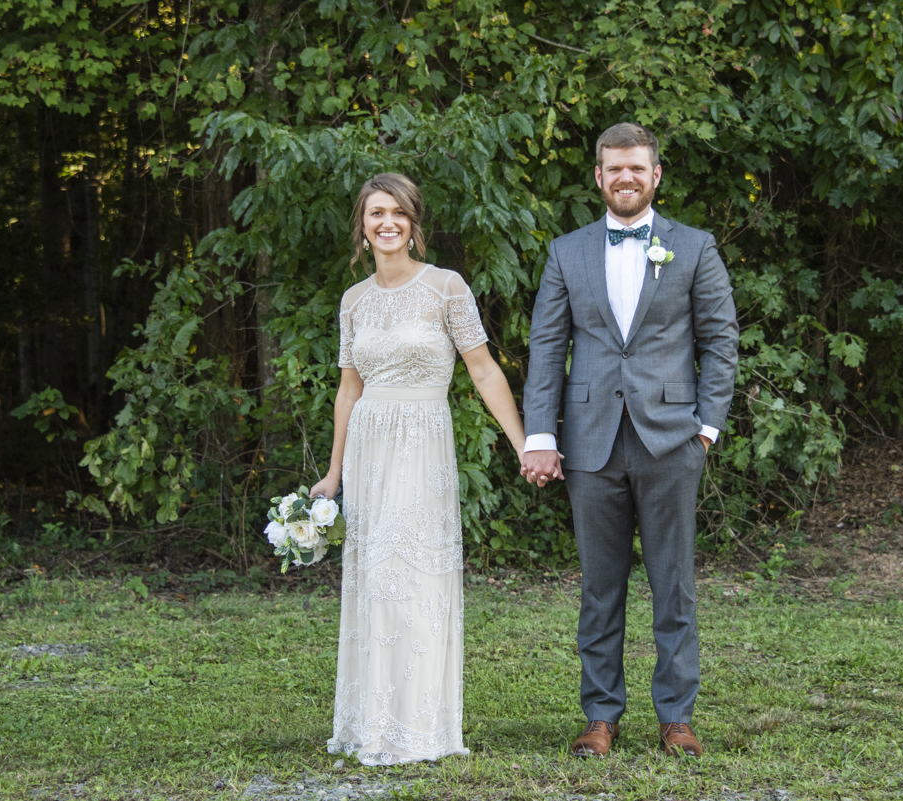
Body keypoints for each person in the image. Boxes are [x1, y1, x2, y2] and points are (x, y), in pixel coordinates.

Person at [520, 123, 739, 758]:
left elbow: (720, 342)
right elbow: (547, 347)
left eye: (636, 169)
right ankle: (601, 716)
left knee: (674, 585)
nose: (625, 178)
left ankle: (677, 717)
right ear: (598, 176)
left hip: (672, 441)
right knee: (599, 586)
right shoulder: (567, 252)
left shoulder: (694, 248)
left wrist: (706, 429)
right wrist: (541, 434)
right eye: (614, 169)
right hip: (589, 443)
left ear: (655, 175)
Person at [310, 173, 526, 766]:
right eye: (376, 213)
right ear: (362, 225)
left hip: (424, 444)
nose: (387, 222)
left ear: (412, 224)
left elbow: (482, 370)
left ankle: (421, 728)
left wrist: (522, 444)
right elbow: (348, 389)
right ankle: (372, 724)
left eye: (398, 213)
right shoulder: (353, 300)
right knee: (376, 580)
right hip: (369, 451)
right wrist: (333, 474)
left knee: (418, 580)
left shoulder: (445, 288)